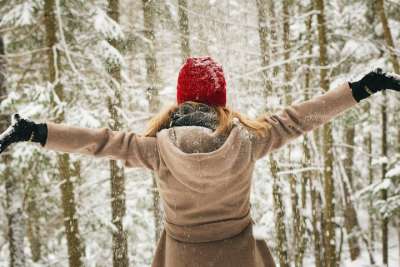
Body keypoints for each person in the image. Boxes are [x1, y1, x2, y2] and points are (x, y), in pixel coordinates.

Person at [1, 56, 400, 267]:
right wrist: (361, 88)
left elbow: (100, 143)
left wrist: (37, 132)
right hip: (241, 257)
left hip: (181, 258)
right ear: (221, 99)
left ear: (180, 100)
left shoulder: (156, 149)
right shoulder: (249, 140)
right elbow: (300, 118)